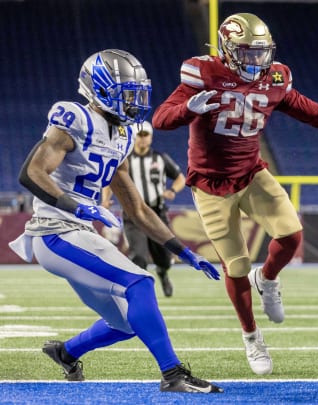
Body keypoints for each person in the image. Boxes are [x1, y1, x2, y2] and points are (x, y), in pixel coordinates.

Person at [152, 12, 318, 375]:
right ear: (228, 50)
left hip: (251, 173)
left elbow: (315, 113)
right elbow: (160, 118)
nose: (257, 61)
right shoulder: (202, 74)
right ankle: (251, 336)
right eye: (248, 53)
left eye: (262, 53)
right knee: (235, 266)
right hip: (210, 184)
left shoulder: (276, 78)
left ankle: (266, 279)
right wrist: (187, 109)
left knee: (291, 233)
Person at [8, 49, 223, 393]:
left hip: (76, 232)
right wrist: (77, 208)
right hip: (54, 231)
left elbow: (137, 209)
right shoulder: (74, 118)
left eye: (138, 92)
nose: (135, 101)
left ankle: (65, 352)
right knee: (139, 283)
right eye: (128, 93)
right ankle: (173, 375)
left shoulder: (122, 136)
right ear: (101, 89)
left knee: (125, 323)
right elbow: (32, 172)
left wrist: (183, 251)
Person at [101, 121, 186, 297]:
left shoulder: (161, 159)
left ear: (150, 137)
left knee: (163, 257)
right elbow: (111, 180)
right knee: (138, 257)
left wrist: (172, 191)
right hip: (132, 214)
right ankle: (142, 293)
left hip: (157, 213)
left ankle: (163, 272)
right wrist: (105, 199)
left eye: (145, 135)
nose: (142, 139)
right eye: (139, 135)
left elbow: (180, 178)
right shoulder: (125, 160)